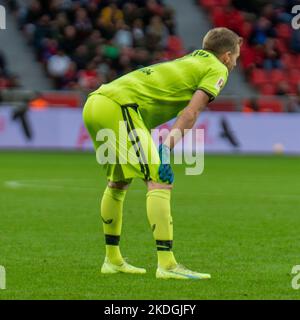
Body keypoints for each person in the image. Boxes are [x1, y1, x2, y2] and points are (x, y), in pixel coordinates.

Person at [82, 27, 242, 280]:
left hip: (95, 102)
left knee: (118, 182)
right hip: (119, 105)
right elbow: (190, 113)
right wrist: (166, 149)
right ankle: (167, 265)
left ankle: (112, 260)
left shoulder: (190, 59)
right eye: (235, 57)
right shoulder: (217, 69)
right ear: (225, 56)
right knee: (160, 179)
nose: (235, 63)